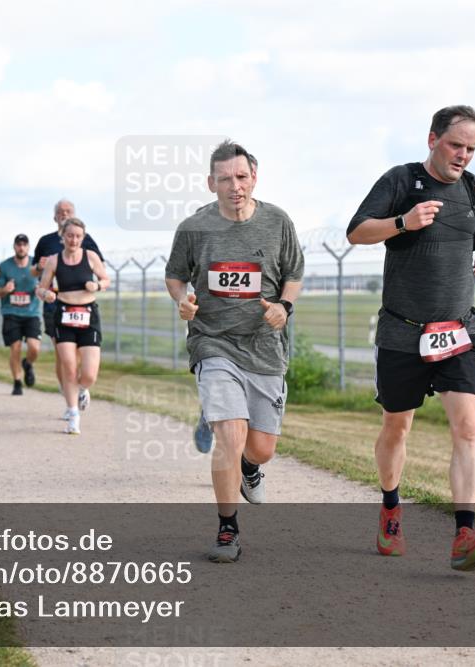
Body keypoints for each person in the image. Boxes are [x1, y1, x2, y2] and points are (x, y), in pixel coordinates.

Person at [346, 105, 475, 572]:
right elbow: (356, 232)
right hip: (403, 332)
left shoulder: (472, 189)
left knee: (467, 428)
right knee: (398, 426)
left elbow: (467, 224)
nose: (463, 156)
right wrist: (402, 223)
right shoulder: (401, 180)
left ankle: (463, 534)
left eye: (471, 149)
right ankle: (391, 506)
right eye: (456, 145)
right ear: (433, 138)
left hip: (457, 330)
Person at [165, 140, 305, 563]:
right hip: (214, 341)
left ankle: (250, 468)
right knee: (229, 432)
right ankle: (228, 529)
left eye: (241, 177)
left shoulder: (278, 221)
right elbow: (175, 276)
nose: (234, 186)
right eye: (224, 179)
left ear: (254, 178)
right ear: (211, 183)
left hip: (264, 347)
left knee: (260, 447)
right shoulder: (193, 228)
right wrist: (183, 300)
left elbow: (294, 274)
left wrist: (284, 306)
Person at [35, 218, 109, 435]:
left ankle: (83, 389)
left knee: (89, 374)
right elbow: (40, 288)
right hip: (64, 315)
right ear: (63, 237)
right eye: (70, 235)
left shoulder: (91, 257)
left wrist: (96, 285)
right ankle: (73, 413)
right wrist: (46, 294)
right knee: (68, 366)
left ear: (83, 238)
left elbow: (106, 280)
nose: (73, 240)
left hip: (88, 316)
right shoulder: (54, 260)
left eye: (78, 236)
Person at [31, 199, 104, 399]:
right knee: (63, 355)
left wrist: (95, 284)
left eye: (68, 210)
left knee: (81, 354)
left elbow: (100, 270)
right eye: (61, 211)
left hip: (84, 305)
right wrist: (39, 267)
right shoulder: (45, 241)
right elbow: (32, 272)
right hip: (55, 303)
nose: (64, 214)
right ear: (55, 217)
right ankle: (68, 395)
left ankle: (79, 388)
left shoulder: (86, 241)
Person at [0, 234, 42, 395]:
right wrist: (4, 290)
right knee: (15, 348)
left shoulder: (36, 265)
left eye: (24, 245)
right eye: (18, 244)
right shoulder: (5, 266)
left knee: (34, 348)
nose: (21, 247)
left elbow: (46, 285)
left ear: (28, 247)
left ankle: (27, 363)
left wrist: (40, 290)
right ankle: (17, 382)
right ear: (14, 247)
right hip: (11, 312)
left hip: (31, 313)